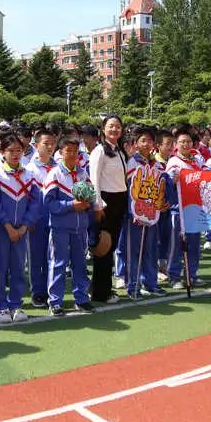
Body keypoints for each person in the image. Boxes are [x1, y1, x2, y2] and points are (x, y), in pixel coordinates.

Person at [0, 133, 43, 323]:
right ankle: (1, 306)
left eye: (19, 150)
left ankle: (16, 304)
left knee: (19, 267)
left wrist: (25, 226)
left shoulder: (30, 175)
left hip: (22, 230)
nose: (16, 154)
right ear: (2, 152)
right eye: (11, 150)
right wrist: (9, 226)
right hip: (2, 230)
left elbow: (36, 204)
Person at [44, 135, 98, 315]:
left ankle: (81, 299)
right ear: (60, 152)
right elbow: (49, 204)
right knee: (58, 264)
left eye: (76, 151)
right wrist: (70, 205)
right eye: (69, 150)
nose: (73, 154)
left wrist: (88, 203)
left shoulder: (83, 173)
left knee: (80, 263)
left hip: (80, 227)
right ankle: (55, 302)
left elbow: (91, 196)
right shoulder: (54, 174)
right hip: (60, 227)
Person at [124, 126, 168, 298]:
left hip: (152, 214)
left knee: (151, 249)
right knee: (133, 251)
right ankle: (132, 286)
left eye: (150, 140)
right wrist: (133, 212)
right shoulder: (132, 162)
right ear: (135, 143)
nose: (147, 143)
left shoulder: (157, 164)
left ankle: (150, 283)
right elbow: (128, 189)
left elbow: (162, 188)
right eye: (143, 140)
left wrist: (163, 203)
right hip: (135, 214)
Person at [88, 115, 127, 304]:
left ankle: (101, 286)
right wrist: (97, 205)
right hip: (106, 202)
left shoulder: (119, 151)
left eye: (118, 126)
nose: (114, 130)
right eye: (111, 126)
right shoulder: (99, 151)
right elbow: (93, 180)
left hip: (119, 201)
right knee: (103, 247)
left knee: (110, 248)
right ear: (103, 129)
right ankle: (100, 292)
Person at [165, 128, 205, 286]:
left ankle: (192, 274)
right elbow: (168, 183)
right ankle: (174, 276)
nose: (186, 144)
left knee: (194, 244)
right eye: (182, 142)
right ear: (176, 144)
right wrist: (173, 180)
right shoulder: (174, 162)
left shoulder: (196, 161)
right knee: (177, 245)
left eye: (188, 141)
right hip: (179, 210)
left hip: (194, 209)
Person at [25, 128, 58, 308]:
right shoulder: (29, 169)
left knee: (53, 257)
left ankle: (52, 291)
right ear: (36, 145)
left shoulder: (58, 167)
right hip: (37, 220)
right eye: (46, 144)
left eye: (52, 143)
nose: (50, 147)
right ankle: (38, 292)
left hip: (56, 219)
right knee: (36, 257)